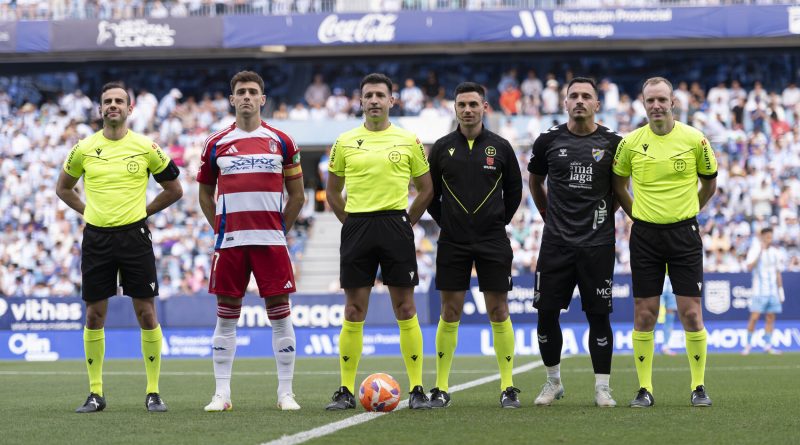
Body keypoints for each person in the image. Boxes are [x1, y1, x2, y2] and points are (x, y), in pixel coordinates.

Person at [56, 81, 183, 413]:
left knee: (146, 313)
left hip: (134, 237)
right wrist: (88, 211)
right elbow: (63, 188)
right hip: (96, 238)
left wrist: (144, 212)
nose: (113, 105)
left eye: (119, 101)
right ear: (100, 109)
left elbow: (174, 189)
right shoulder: (83, 148)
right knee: (94, 315)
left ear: (130, 109)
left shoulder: (146, 147)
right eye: (107, 101)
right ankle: (95, 393)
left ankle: (153, 392)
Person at [197, 71, 306, 412]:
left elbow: (298, 196)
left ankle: (286, 393)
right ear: (232, 99)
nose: (246, 96)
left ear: (262, 98)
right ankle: (222, 394)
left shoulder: (282, 141)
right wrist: (221, 228)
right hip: (230, 242)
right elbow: (204, 194)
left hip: (270, 242)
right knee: (226, 317)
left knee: (280, 315)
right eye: (241, 92)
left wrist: (278, 230)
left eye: (252, 91)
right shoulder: (215, 143)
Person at [325, 73, 434, 410]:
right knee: (353, 309)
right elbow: (332, 191)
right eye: (368, 95)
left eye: (380, 95)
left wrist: (406, 222)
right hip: (357, 225)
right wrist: (350, 223)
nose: (374, 100)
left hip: (395, 224)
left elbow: (426, 189)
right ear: (360, 101)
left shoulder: (408, 140)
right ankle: (345, 390)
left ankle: (417, 389)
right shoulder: (344, 141)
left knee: (406, 308)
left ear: (391, 100)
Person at [612, 76, 718, 408]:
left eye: (662, 99)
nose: (656, 106)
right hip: (645, 236)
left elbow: (709, 184)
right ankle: (644, 388)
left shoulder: (695, 139)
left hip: (684, 235)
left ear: (673, 102)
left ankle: (698, 386)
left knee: (691, 313)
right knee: (645, 313)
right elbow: (618, 186)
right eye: (650, 100)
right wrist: (637, 215)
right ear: (643, 104)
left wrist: (689, 211)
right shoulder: (630, 143)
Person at [426, 82, 523, 409]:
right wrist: (448, 222)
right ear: (455, 108)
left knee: (499, 310)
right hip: (452, 240)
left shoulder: (501, 147)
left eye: (473, 104)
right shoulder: (441, 148)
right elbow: (430, 195)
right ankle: (441, 387)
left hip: (492, 240)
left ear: (484, 107)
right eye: (462, 104)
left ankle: (508, 387)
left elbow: (514, 192)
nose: (467, 110)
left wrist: (497, 221)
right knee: (449, 311)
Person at [528, 77, 621, 408]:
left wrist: (609, 217)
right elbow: (535, 182)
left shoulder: (614, 142)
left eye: (586, 96)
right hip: (556, 244)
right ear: (564, 103)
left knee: (599, 316)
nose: (579, 100)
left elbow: (620, 189)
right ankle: (553, 381)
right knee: (546, 314)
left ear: (597, 104)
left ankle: (602, 387)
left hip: (598, 245)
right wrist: (547, 214)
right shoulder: (548, 140)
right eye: (574, 96)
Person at [742, 228, 785, 355]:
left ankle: (768, 345)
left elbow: (778, 273)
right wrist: (760, 252)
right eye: (767, 237)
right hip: (759, 291)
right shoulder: (755, 250)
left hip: (773, 292)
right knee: (754, 317)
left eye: (771, 237)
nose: (769, 239)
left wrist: (781, 291)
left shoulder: (776, 252)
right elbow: (749, 267)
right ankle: (748, 345)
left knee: (770, 317)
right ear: (762, 237)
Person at [659, 275, 678, 356]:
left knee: (670, 315)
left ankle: (665, 346)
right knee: (655, 314)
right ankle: (651, 344)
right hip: (658, 281)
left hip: (672, 283)